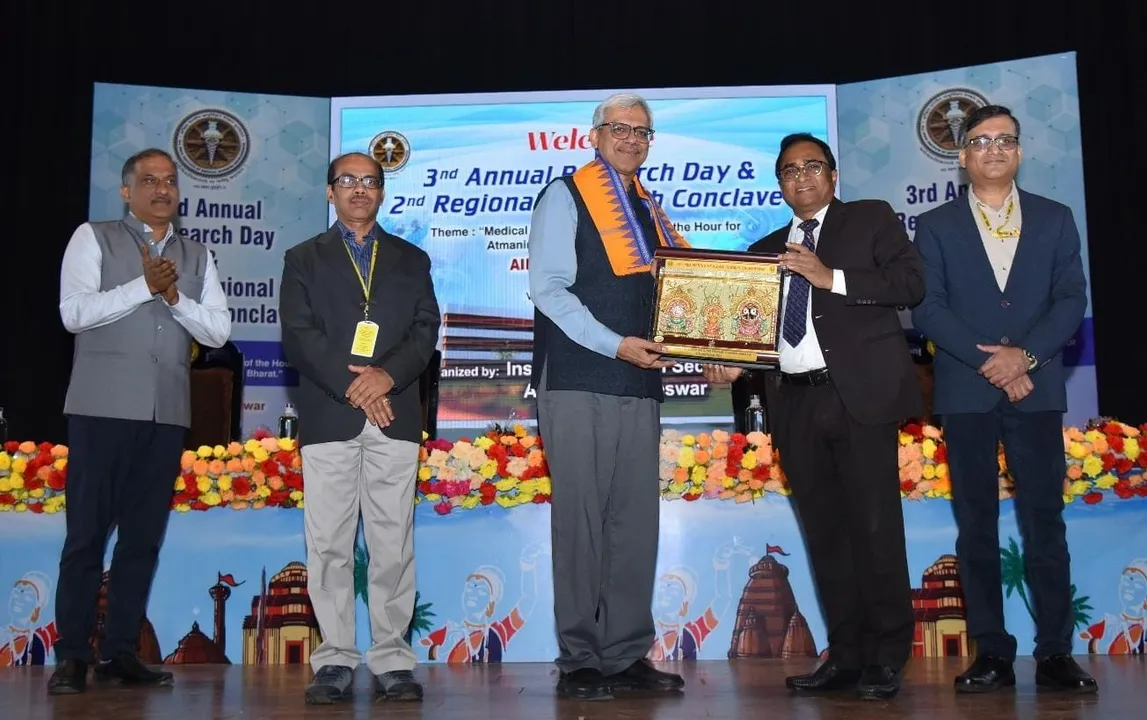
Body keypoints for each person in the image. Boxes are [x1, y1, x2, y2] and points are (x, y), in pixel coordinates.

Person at [706, 132, 924, 700]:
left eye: (812, 166)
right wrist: (732, 365)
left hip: (860, 399)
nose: (801, 177)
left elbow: (911, 284)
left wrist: (832, 278)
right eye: (788, 170)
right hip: (795, 402)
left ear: (832, 175)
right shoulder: (763, 250)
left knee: (874, 530)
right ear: (779, 184)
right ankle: (847, 655)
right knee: (825, 534)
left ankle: (886, 656)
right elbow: (751, 334)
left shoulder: (870, 219)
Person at [911, 105, 1096, 694]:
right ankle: (991, 651)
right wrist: (994, 362)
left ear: (1019, 152)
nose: (994, 149)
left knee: (1046, 522)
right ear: (962, 156)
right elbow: (928, 307)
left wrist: (1026, 358)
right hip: (966, 392)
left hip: (1037, 390)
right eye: (982, 141)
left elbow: (1071, 298)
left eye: (1005, 140)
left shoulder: (1055, 218)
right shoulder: (935, 225)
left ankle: (1055, 654)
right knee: (976, 525)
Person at [48, 148, 231, 694]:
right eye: (149, 180)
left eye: (170, 181)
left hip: (166, 414)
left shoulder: (197, 254)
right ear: (127, 191)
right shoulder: (93, 237)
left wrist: (173, 296)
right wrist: (142, 287)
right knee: (85, 538)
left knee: (142, 542)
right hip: (101, 410)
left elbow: (217, 333)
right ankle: (73, 655)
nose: (162, 189)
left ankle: (121, 653)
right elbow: (73, 312)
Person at [527, 92, 690, 701]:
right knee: (582, 522)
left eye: (642, 133)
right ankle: (580, 659)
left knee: (634, 524)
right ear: (594, 136)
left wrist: (712, 347)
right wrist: (614, 343)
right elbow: (547, 288)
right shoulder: (564, 197)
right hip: (576, 378)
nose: (631, 139)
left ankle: (624, 655)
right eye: (619, 129)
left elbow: (677, 294)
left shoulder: (649, 211)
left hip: (639, 383)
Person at [279, 152, 440, 705]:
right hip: (331, 415)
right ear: (330, 192)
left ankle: (393, 657)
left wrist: (385, 376)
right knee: (328, 544)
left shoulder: (411, 259)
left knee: (393, 541)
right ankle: (336, 659)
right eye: (347, 181)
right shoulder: (302, 259)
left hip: (393, 415)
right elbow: (299, 337)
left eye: (369, 182)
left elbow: (425, 331)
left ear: (382, 192)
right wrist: (357, 387)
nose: (358, 190)